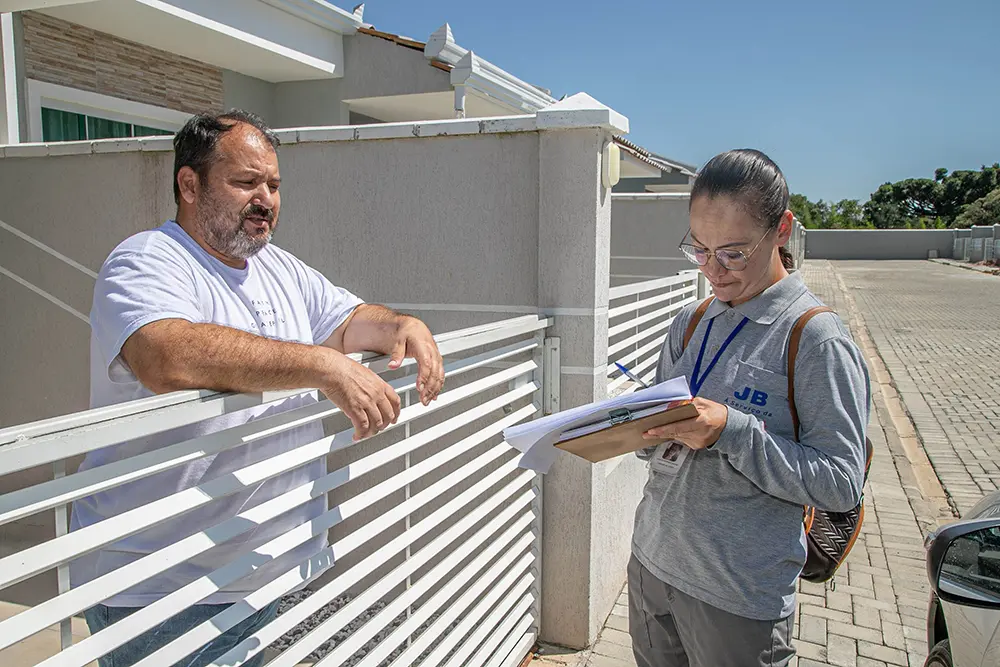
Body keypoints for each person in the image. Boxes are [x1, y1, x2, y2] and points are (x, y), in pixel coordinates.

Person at [72, 109, 444, 667]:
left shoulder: (279, 268)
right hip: (165, 590)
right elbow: (165, 353)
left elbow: (350, 320)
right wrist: (321, 365)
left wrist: (401, 326)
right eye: (245, 182)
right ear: (189, 184)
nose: (265, 198)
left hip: (280, 570)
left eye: (272, 184)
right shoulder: (146, 260)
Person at [628, 149, 871, 667]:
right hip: (652, 567)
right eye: (700, 250)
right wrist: (633, 425)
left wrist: (731, 433)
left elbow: (840, 483)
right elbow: (654, 447)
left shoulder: (816, 339)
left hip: (737, 600)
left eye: (733, 253)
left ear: (781, 229)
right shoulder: (690, 323)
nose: (713, 271)